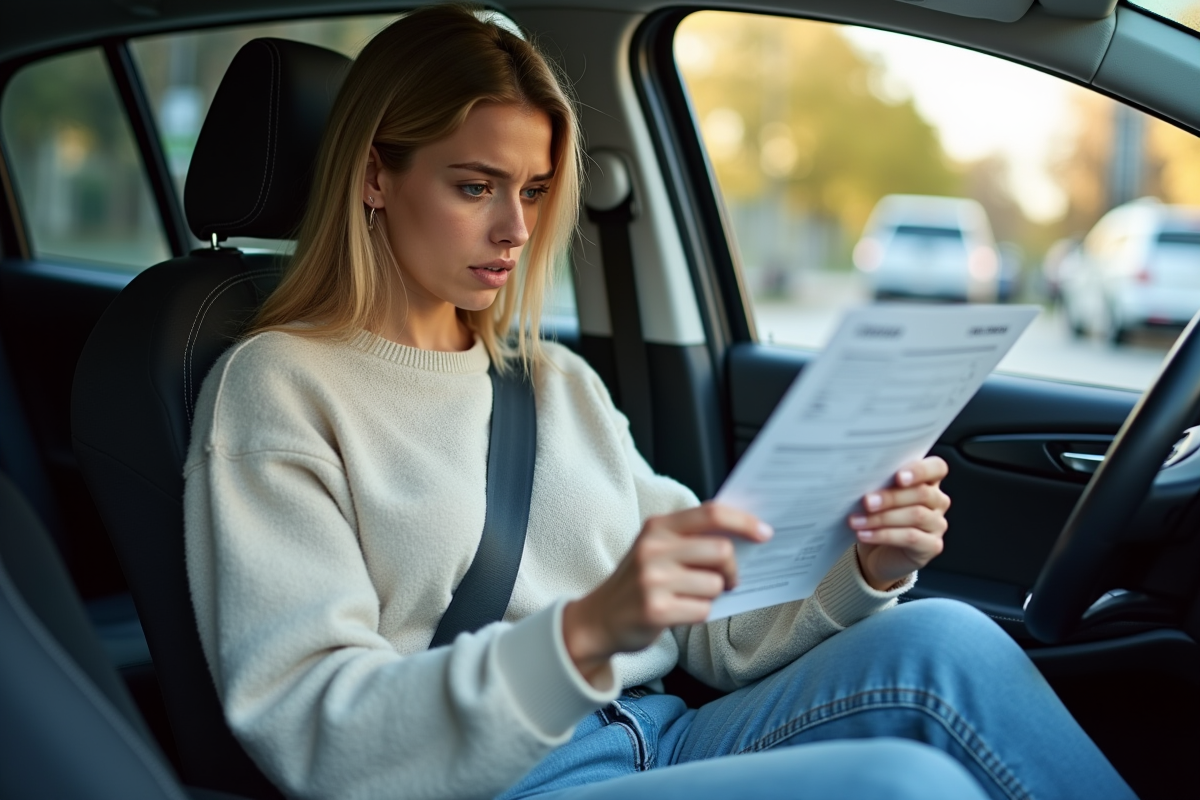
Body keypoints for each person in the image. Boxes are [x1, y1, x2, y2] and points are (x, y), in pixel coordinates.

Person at [183, 6, 1137, 800]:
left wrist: (863, 565)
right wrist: (584, 632)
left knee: (942, 637)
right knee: (903, 786)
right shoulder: (278, 389)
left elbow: (708, 631)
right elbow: (314, 729)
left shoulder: (552, 383)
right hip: (509, 786)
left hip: (666, 741)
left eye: (536, 190)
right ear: (375, 178)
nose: (515, 229)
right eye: (475, 186)